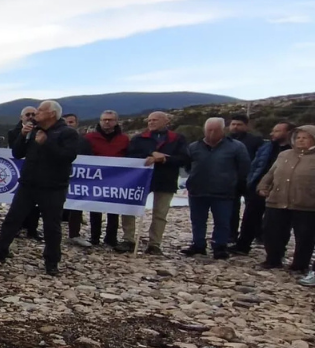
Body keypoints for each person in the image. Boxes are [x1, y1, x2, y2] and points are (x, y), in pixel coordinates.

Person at [0, 100, 81, 276]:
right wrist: (22, 135)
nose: (36, 114)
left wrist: (47, 143)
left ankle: (51, 262)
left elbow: (67, 156)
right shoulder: (34, 130)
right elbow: (17, 153)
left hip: (53, 187)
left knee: (51, 226)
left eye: (40, 111)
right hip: (28, 184)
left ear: (52, 114)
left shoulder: (67, 133)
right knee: (12, 219)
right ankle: (0, 251)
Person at [118, 111, 188, 255]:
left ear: (166, 121)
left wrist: (164, 159)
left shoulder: (177, 139)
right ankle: (128, 239)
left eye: (155, 120)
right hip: (141, 179)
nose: (151, 122)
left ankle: (154, 244)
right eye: (149, 120)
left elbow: (184, 158)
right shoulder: (139, 138)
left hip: (166, 179)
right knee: (129, 209)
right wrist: (150, 155)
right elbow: (130, 155)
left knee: (160, 213)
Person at [182, 118, 251, 259]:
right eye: (209, 130)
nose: (212, 133)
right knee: (197, 220)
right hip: (197, 190)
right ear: (204, 130)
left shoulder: (236, 147)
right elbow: (188, 167)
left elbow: (244, 168)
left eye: (215, 130)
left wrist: (235, 184)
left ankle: (220, 246)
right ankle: (198, 244)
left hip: (224, 191)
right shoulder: (194, 147)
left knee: (223, 221)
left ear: (223, 130)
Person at [256, 125, 315, 274]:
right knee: (272, 232)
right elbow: (271, 173)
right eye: (298, 137)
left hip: (306, 203)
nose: (301, 140)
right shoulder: (285, 155)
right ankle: (273, 259)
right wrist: (263, 186)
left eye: (305, 138)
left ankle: (300, 264)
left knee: (304, 236)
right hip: (277, 200)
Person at [233, 121, 294, 255]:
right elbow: (255, 164)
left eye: (277, 131)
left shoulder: (294, 151)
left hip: (281, 190)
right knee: (250, 217)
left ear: (288, 133)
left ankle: (275, 252)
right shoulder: (267, 147)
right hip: (258, 186)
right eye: (273, 130)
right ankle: (242, 246)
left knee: (277, 223)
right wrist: (251, 181)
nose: (273, 133)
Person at [83, 110, 129, 248]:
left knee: (113, 209)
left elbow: (129, 157)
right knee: (95, 207)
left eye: (110, 119)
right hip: (96, 178)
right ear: (100, 121)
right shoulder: (90, 138)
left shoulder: (124, 139)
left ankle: (111, 238)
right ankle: (94, 237)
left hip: (116, 179)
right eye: (104, 119)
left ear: (116, 122)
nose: (107, 122)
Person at [227, 113, 266, 242]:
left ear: (246, 126)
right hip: (231, 180)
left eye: (239, 124)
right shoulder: (225, 141)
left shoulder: (256, 141)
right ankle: (231, 234)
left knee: (253, 210)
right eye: (233, 124)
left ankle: (257, 234)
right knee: (231, 209)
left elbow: (262, 160)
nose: (235, 127)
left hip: (251, 179)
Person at [6, 106, 43, 240]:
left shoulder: (42, 130)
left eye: (33, 114)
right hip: (18, 170)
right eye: (27, 114)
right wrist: (22, 135)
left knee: (35, 204)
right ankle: (17, 228)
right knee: (18, 204)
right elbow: (16, 151)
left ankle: (32, 229)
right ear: (21, 117)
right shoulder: (13, 132)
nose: (31, 116)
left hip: (35, 172)